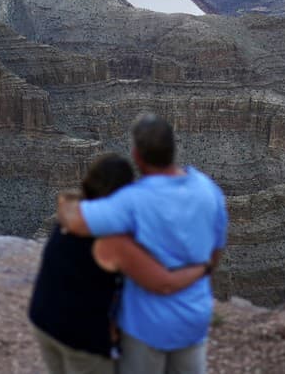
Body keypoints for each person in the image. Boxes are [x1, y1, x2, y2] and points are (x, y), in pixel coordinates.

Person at [58, 114, 228, 374]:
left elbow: (74, 221)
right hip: (193, 319)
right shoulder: (209, 190)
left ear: (137, 156)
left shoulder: (131, 201)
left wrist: (72, 195)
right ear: (174, 148)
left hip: (146, 327)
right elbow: (215, 255)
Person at [29, 153, 209, 374]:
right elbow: (164, 283)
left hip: (43, 320)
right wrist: (202, 268)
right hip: (79, 338)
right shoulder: (112, 239)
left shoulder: (73, 210)